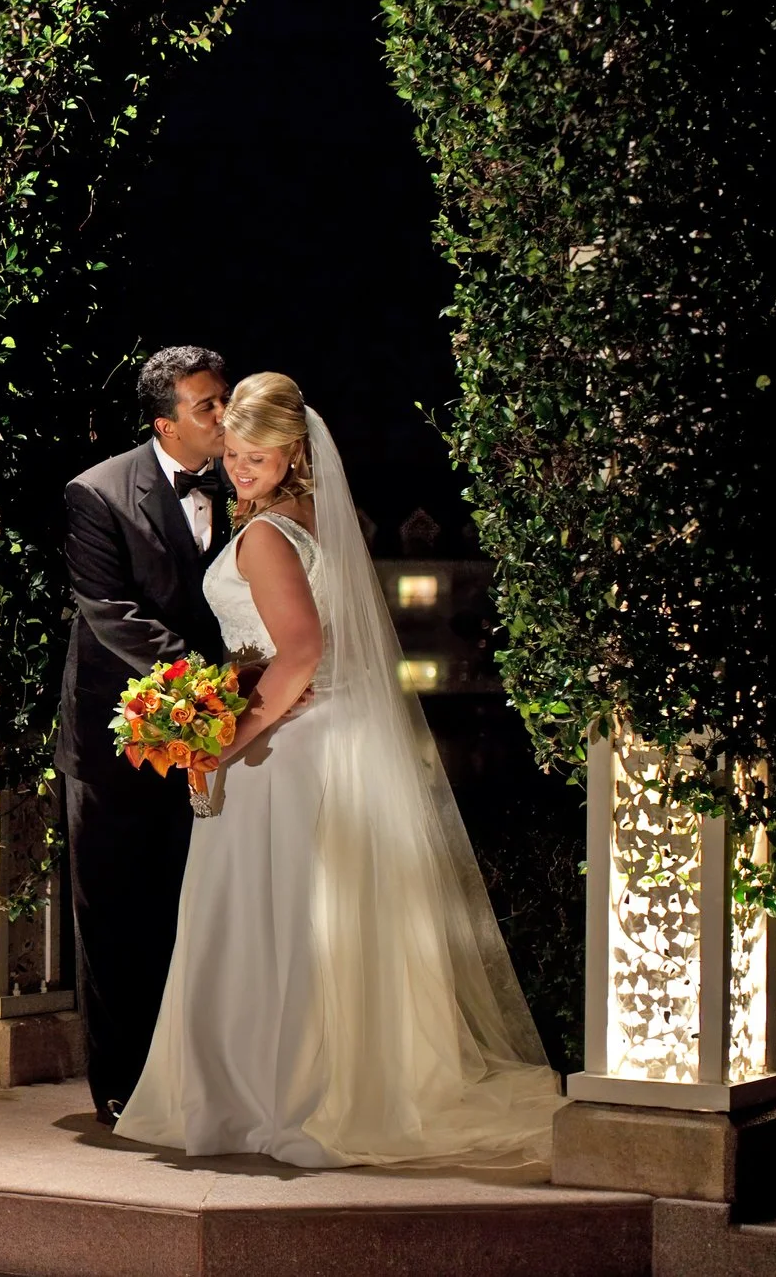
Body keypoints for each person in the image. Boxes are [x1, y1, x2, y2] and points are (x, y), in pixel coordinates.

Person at [114, 372, 562, 1166]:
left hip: (286, 747)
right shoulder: (308, 517)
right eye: (234, 455)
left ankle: (268, 1094)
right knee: (306, 916)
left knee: (272, 913)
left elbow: (304, 653)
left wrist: (224, 740)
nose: (242, 470)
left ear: (293, 451)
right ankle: (317, 1078)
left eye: (259, 456)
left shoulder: (262, 536)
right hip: (319, 734)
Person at [56, 345, 233, 1123]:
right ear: (166, 422)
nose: (224, 417)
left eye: (224, 399)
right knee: (119, 919)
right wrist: (216, 682)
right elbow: (111, 614)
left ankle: (200, 1081)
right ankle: (123, 1087)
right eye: (207, 406)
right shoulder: (95, 493)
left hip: (222, 742)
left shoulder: (247, 482)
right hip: (118, 742)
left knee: (201, 914)